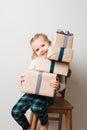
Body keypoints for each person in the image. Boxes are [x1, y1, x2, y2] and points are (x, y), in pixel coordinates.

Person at [11, 33, 60, 130]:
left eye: (43, 45)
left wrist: (58, 85)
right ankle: (27, 128)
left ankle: (45, 123)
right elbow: (28, 76)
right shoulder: (35, 62)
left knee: (36, 107)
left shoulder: (56, 62)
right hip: (31, 93)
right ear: (35, 52)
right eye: (37, 49)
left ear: (49, 44)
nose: (41, 50)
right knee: (15, 111)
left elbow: (62, 84)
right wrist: (23, 79)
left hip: (47, 95)